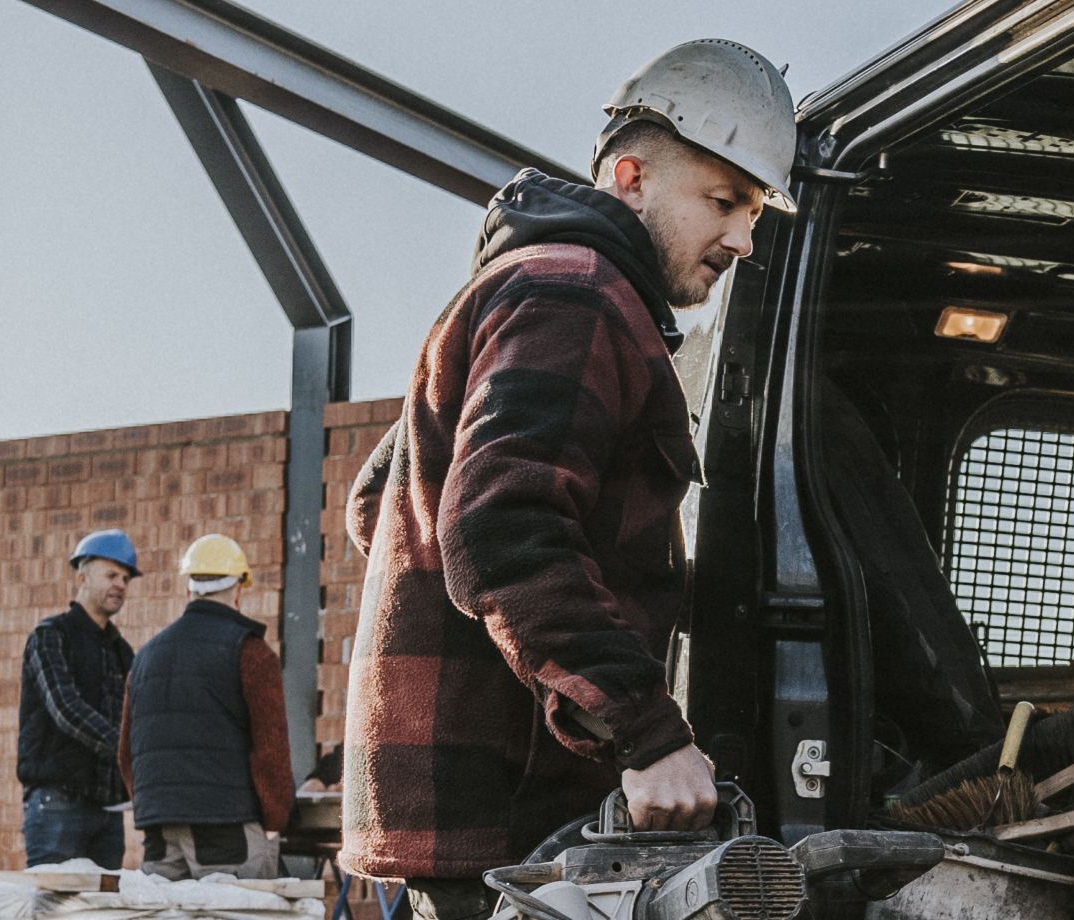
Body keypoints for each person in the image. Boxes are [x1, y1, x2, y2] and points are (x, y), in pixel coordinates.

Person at [339, 38, 797, 917]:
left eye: (752, 214)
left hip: (470, 812)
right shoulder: (575, 293)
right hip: (510, 814)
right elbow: (502, 525)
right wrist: (648, 736)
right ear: (631, 178)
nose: (742, 238)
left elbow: (381, 505)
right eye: (723, 202)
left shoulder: (524, 286)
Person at [123, 534, 294, 880]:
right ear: (238, 591)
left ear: (189, 592)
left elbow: (126, 754)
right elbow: (270, 750)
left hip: (159, 833)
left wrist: (156, 806)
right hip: (228, 831)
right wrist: (276, 821)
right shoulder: (250, 652)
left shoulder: (145, 657)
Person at [17, 529, 139, 868]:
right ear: (82, 577)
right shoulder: (50, 636)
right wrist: (125, 747)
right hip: (57, 803)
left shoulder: (122, 652)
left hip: (108, 812)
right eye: (112, 575)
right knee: (54, 910)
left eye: (126, 579)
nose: (121, 585)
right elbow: (65, 708)